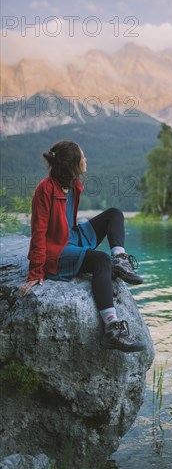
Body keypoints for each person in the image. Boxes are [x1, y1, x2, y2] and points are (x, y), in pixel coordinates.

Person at [18, 140, 146, 353]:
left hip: (72, 237)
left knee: (114, 213)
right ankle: (112, 328)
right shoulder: (44, 190)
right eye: (83, 157)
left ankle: (120, 260)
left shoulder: (74, 185)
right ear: (72, 163)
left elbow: (68, 222)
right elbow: (39, 232)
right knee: (100, 260)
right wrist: (35, 272)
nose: (86, 160)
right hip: (56, 251)